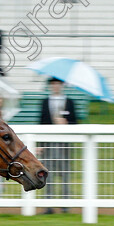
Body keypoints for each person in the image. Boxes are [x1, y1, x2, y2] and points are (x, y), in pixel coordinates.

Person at [39, 77, 77, 214]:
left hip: (64, 144)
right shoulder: (45, 102)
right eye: (53, 84)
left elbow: (76, 123)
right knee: (47, 175)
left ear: (62, 85)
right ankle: (48, 205)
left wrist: (66, 124)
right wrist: (40, 144)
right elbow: (41, 123)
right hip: (49, 143)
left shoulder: (70, 103)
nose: (55, 86)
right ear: (50, 86)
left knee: (65, 174)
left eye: (58, 84)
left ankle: (65, 205)